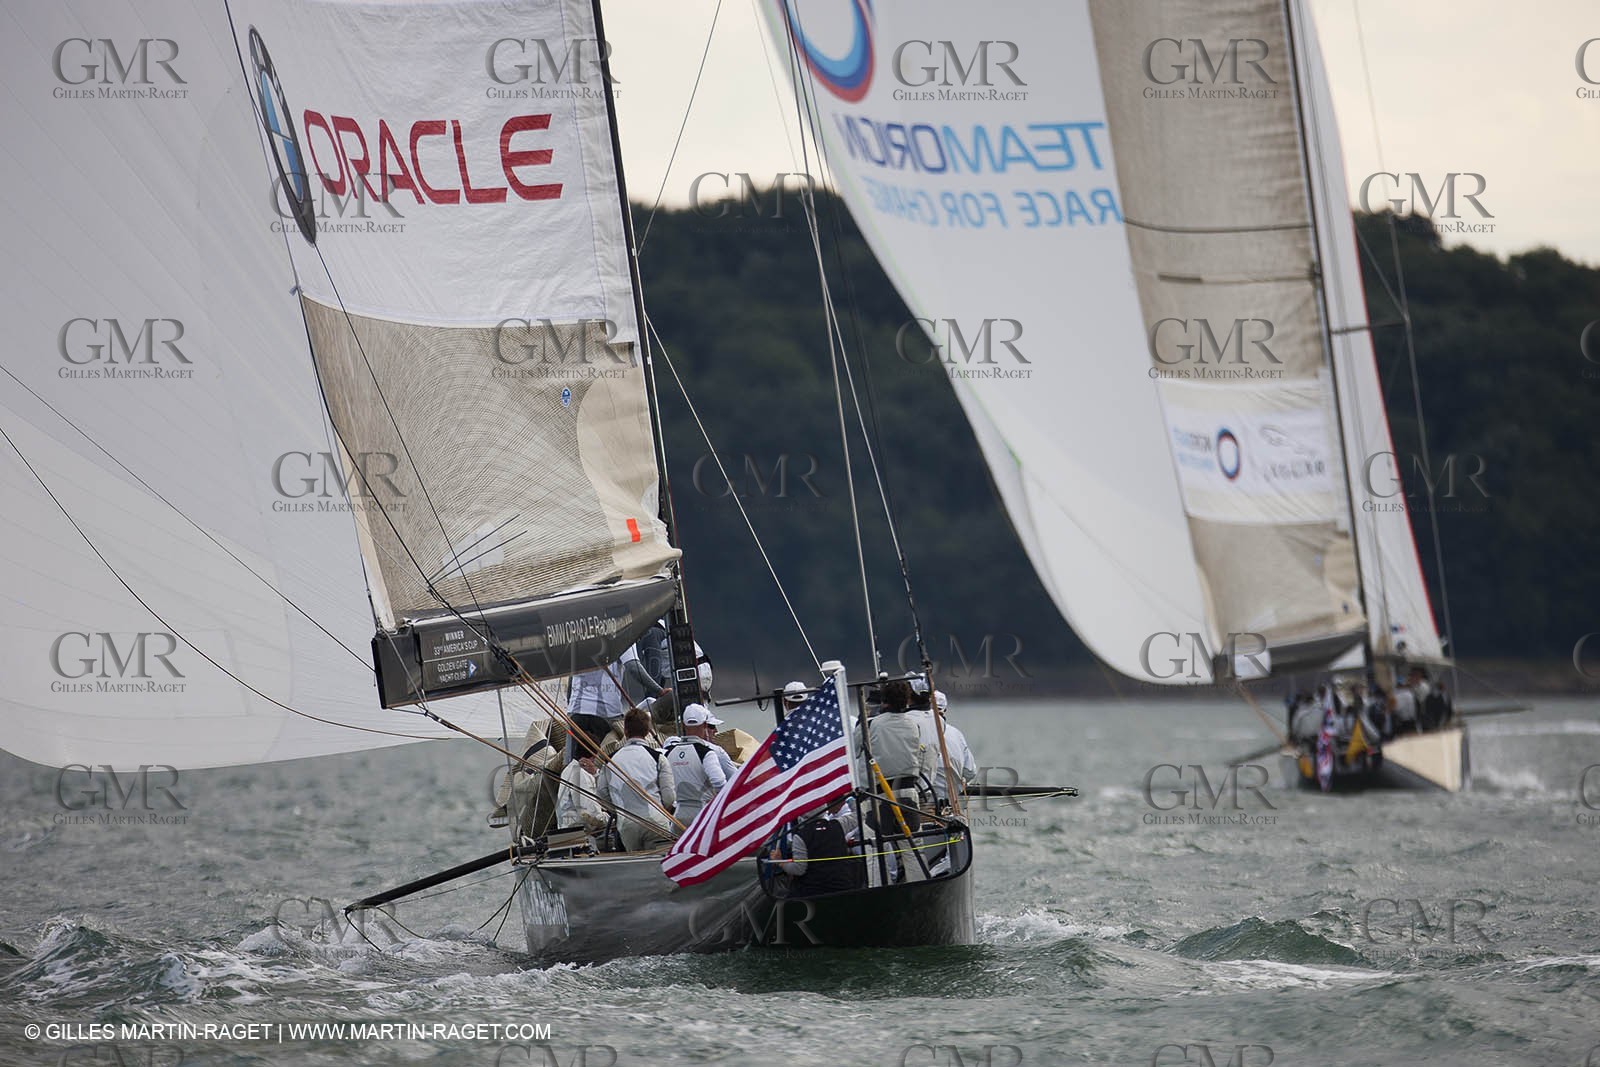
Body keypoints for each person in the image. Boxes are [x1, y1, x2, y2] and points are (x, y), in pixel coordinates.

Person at [597, 707, 678, 851]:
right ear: (647, 732)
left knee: (637, 868)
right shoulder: (658, 758)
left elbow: (602, 794)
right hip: (656, 821)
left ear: (626, 732)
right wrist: (660, 811)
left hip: (627, 825)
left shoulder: (610, 761)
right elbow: (669, 796)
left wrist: (618, 811)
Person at [769, 796, 864, 896]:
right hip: (843, 887)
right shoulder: (839, 825)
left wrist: (780, 862)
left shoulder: (800, 836)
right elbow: (860, 815)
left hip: (813, 893)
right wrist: (849, 798)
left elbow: (799, 869)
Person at [665, 703, 738, 829]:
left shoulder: (669, 752)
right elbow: (720, 782)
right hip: (703, 813)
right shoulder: (707, 752)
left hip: (678, 815)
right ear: (704, 725)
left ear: (683, 725)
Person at [910, 691, 979, 806]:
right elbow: (970, 772)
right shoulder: (956, 734)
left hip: (922, 800)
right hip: (949, 802)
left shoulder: (913, 728)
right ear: (945, 710)